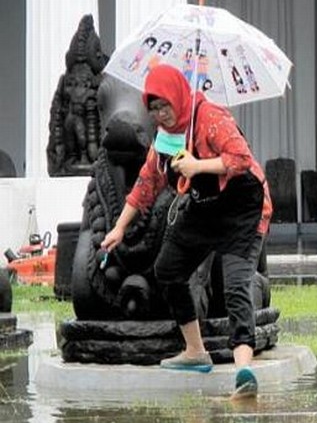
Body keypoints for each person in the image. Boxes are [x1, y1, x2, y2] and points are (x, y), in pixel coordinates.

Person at [101, 65, 272, 397]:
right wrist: (119, 228)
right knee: (167, 269)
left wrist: (197, 166)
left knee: (236, 285)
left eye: (165, 106)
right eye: (154, 109)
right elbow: (145, 184)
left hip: (243, 209)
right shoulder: (164, 138)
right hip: (204, 209)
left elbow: (240, 158)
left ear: (179, 97)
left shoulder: (209, 116)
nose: (161, 114)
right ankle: (195, 351)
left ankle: (244, 370)